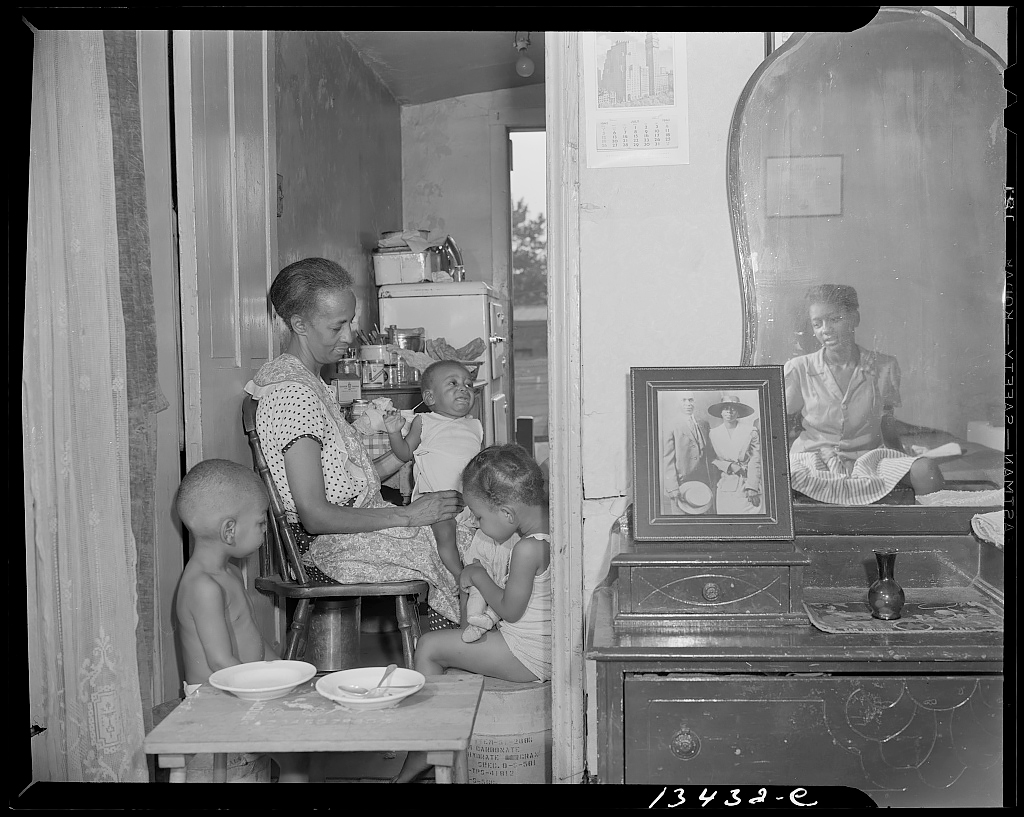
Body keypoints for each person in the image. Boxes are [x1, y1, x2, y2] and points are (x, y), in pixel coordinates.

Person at [244, 257, 472, 627]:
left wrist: (412, 451)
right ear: (299, 324)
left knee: (470, 527)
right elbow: (316, 516)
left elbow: (345, 477)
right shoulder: (293, 395)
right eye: (337, 326)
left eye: (350, 322)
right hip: (326, 547)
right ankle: (456, 649)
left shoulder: (310, 381)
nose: (349, 336)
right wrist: (409, 514)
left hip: (350, 528)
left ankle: (461, 647)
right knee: (459, 548)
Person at [393, 444, 551, 784]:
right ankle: (431, 741)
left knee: (430, 647)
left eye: (479, 517)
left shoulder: (526, 548)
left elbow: (510, 609)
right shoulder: (550, 530)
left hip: (527, 656)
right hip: (536, 646)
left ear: (507, 513)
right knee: (461, 630)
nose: (478, 523)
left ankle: (429, 744)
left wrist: (478, 575)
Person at [174, 458, 306, 782]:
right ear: (230, 531)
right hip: (217, 709)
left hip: (241, 695)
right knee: (297, 758)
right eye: (261, 523)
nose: (265, 530)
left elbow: (253, 641)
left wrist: (286, 674)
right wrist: (264, 694)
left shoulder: (229, 573)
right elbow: (221, 661)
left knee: (303, 753)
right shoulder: (202, 586)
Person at [784, 284, 944, 505]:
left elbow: (886, 422)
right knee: (782, 479)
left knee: (926, 469)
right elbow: (779, 422)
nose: (826, 329)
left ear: (855, 318)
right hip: (813, 458)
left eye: (835, 319)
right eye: (817, 323)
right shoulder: (799, 368)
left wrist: (903, 457)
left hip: (866, 458)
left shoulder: (884, 367)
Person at [386, 360, 484, 588]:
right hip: (436, 502)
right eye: (453, 383)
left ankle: (484, 575)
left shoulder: (475, 426)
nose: (464, 388)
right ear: (430, 398)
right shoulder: (425, 422)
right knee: (446, 534)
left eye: (469, 385)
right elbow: (404, 452)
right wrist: (393, 433)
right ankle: (460, 576)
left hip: (468, 502)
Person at [662, 391, 716, 514]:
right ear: (677, 403)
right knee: (683, 525)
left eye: (691, 400)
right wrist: (672, 487)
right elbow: (667, 458)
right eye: (684, 400)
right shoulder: (671, 425)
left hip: (703, 484)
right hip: (682, 486)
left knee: (704, 525)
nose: (688, 404)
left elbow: (709, 454)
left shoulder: (703, 424)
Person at [708, 394, 762, 514]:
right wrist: (728, 466)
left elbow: (755, 459)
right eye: (726, 408)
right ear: (721, 412)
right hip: (725, 484)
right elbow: (711, 458)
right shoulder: (713, 434)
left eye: (733, 408)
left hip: (746, 482)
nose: (729, 412)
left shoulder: (750, 431)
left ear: (739, 412)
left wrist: (752, 487)